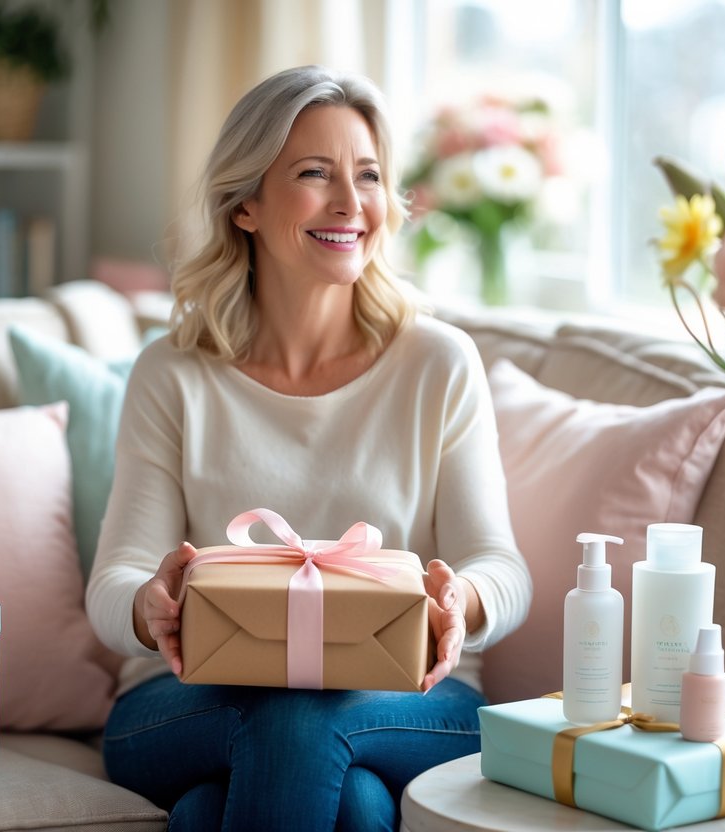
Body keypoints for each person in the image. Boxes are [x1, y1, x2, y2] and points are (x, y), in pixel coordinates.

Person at [86, 64, 532, 832]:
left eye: (366, 175)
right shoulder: (173, 372)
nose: (349, 202)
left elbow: (501, 565)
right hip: (186, 695)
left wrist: (461, 599)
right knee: (351, 799)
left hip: (411, 696)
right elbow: (113, 584)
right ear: (246, 205)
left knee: (236, 788)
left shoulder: (437, 362)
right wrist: (147, 602)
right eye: (313, 173)